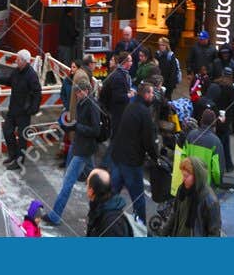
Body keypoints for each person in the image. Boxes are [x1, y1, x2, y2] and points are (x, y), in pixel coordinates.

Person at [48, 73, 103, 226]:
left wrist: (76, 126)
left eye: (79, 92)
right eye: (76, 92)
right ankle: (99, 210)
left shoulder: (92, 105)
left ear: (86, 90)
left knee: (67, 183)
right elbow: (76, 123)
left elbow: (95, 131)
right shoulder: (82, 103)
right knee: (95, 182)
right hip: (79, 146)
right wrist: (65, 125)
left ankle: (55, 216)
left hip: (83, 150)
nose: (77, 95)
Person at [110, 80, 158, 220]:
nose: (153, 96)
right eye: (151, 93)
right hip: (132, 161)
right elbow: (148, 140)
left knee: (112, 193)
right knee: (138, 198)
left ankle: (104, 219)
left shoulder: (130, 107)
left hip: (119, 156)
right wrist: (155, 157)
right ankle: (141, 226)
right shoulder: (144, 113)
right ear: (145, 94)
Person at [0, 49, 41, 171]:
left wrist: (33, 109)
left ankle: (19, 161)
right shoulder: (17, 71)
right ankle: (13, 155)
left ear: (25, 61)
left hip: (24, 111)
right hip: (13, 109)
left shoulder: (32, 75)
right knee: (7, 131)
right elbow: (10, 81)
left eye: (18, 59)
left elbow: (37, 92)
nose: (16, 60)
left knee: (22, 138)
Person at [159, 155, 222, 237]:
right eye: (183, 175)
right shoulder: (182, 190)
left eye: (186, 176)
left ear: (197, 176)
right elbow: (174, 214)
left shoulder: (210, 201)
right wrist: (163, 233)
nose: (183, 179)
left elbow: (214, 233)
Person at [84, 168, 134, 237]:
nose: (86, 186)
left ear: (91, 191)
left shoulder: (112, 224)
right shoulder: (97, 203)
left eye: (87, 183)